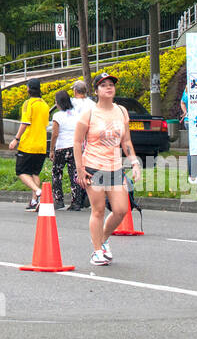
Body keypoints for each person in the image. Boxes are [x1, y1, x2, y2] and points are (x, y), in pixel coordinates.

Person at [74, 71, 143, 267]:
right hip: (93, 167)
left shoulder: (121, 111)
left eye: (111, 84)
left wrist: (134, 162)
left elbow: (126, 140)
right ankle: (97, 251)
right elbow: (78, 142)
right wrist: (79, 168)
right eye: (103, 85)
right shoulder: (89, 113)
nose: (109, 87)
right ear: (96, 90)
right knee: (98, 210)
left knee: (121, 210)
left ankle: (102, 239)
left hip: (115, 167)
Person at [8, 78, 49, 210]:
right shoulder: (45, 104)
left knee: (21, 171)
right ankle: (33, 201)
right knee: (34, 173)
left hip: (28, 144)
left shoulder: (28, 103)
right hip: (41, 145)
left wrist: (16, 139)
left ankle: (38, 192)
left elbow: (25, 123)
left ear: (29, 89)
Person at [50, 82, 91, 210]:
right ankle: (76, 202)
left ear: (58, 103)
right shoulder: (77, 115)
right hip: (74, 147)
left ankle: (58, 200)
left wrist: (51, 149)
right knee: (75, 174)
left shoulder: (57, 115)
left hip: (61, 147)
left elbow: (55, 134)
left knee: (57, 173)